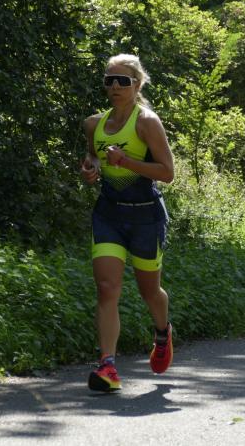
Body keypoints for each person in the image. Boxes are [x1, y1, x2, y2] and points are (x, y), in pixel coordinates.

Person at [79, 53, 175, 391]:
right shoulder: (94, 124)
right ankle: (108, 367)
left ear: (137, 85)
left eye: (123, 81)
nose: (115, 86)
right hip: (109, 214)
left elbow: (167, 172)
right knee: (107, 288)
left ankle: (162, 333)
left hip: (146, 216)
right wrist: (90, 167)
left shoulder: (147, 122)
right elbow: (93, 154)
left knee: (150, 291)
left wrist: (126, 162)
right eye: (110, 80)